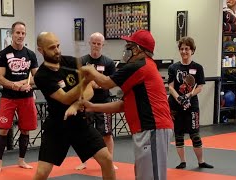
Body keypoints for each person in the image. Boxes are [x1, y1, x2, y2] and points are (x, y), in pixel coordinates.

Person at [81, 29, 174, 180]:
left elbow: (106, 83)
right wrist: (91, 106)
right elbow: (122, 105)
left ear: (138, 49)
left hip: (152, 128)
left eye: (129, 46)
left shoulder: (139, 66)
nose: (126, 49)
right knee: (145, 175)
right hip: (147, 129)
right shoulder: (141, 68)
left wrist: (89, 70)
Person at [33, 32, 116, 180]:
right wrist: (85, 81)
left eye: (58, 46)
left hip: (80, 123)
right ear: (41, 50)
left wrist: (77, 104)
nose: (57, 50)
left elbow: (89, 90)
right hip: (57, 127)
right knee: (42, 173)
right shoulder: (41, 76)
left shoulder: (71, 62)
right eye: (52, 48)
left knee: (107, 159)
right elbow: (64, 98)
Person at [0, 21, 38, 172]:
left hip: (26, 98)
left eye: (23, 33)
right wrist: (14, 85)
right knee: (3, 129)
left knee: (26, 129)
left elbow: (36, 77)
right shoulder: (3, 54)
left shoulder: (30, 54)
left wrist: (27, 83)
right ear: (12, 34)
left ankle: (21, 160)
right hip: (9, 98)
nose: (20, 35)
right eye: (17, 33)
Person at [167, 36, 214, 169]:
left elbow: (199, 87)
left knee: (195, 134)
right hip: (175, 105)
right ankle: (182, 161)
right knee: (179, 134)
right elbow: (170, 87)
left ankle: (201, 161)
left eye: (187, 49)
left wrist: (188, 95)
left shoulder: (198, 67)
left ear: (192, 50)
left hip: (192, 106)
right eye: (181, 49)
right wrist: (179, 98)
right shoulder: (173, 67)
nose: (184, 51)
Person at [75, 32, 118, 170]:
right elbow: (77, 80)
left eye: (99, 44)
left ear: (102, 45)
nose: (96, 46)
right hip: (86, 102)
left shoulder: (108, 63)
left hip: (103, 103)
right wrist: (88, 84)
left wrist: (97, 84)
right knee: (83, 133)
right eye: (94, 43)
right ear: (89, 43)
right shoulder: (82, 61)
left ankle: (110, 161)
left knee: (106, 133)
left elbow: (111, 82)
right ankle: (84, 161)